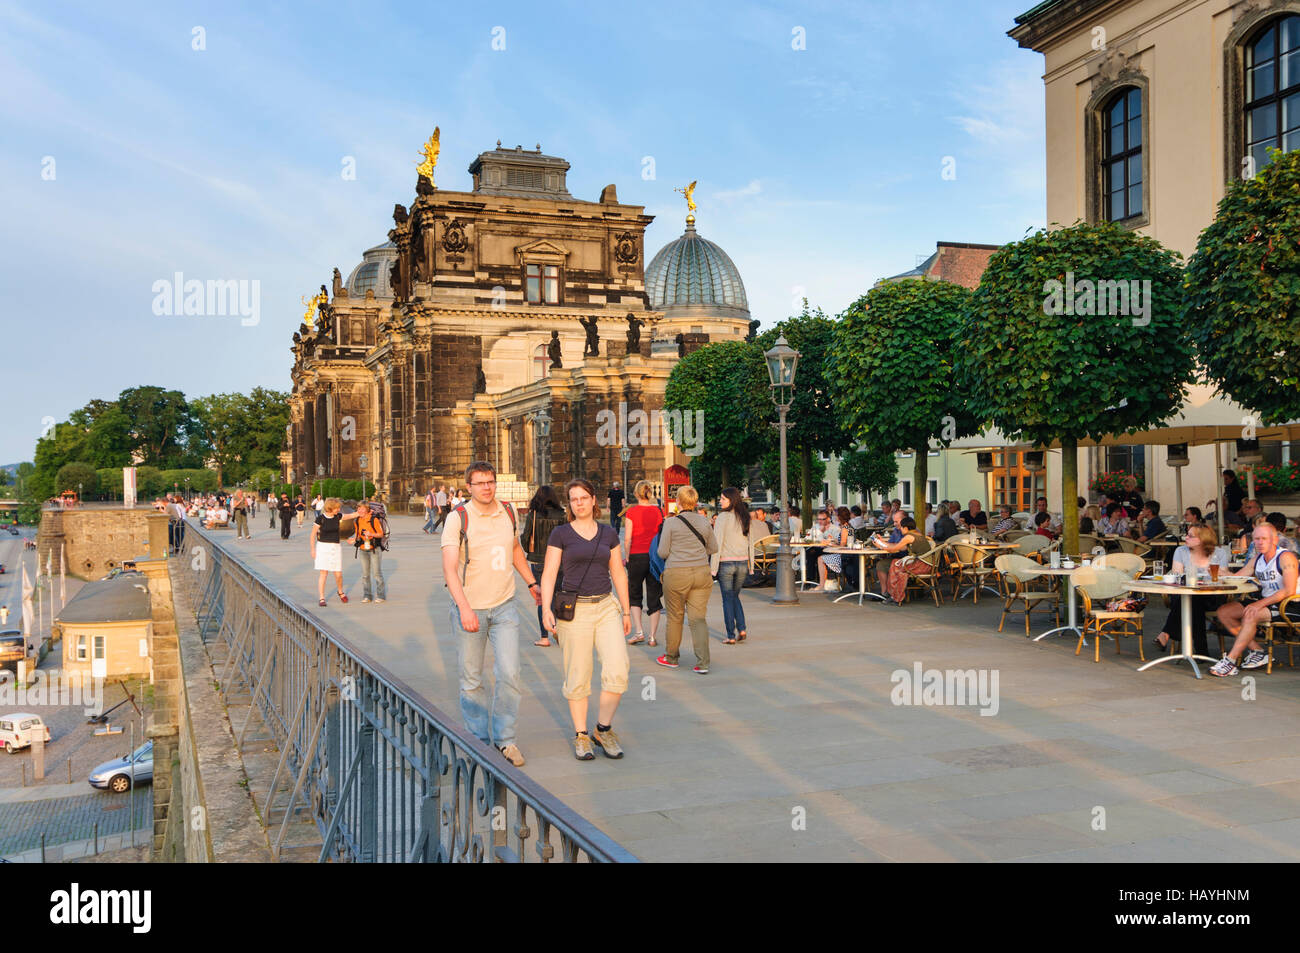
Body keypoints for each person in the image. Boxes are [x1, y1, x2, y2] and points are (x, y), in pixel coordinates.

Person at [441, 461, 542, 767]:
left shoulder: (508, 513)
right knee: (472, 678)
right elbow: (449, 569)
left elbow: (514, 551)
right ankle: (479, 742)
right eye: (480, 482)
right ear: (468, 487)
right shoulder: (457, 518)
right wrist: (465, 609)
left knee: (510, 673)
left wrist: (531, 582)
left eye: (490, 481)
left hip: (505, 605)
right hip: (470, 607)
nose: (486, 487)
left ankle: (505, 739)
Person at [540, 479, 631, 761]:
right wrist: (545, 609)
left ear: (594, 500)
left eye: (583, 497)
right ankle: (581, 735)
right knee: (578, 673)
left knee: (618, 670)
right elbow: (549, 573)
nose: (578, 503)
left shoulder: (608, 534)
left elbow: (618, 573)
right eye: (573, 499)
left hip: (606, 607)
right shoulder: (561, 534)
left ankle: (602, 728)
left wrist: (627, 611)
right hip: (574, 610)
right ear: (569, 504)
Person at [1211, 522, 1300, 676]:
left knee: (1251, 613)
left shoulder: (1286, 557)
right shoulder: (1258, 558)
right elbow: (1238, 577)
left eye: (1263, 538)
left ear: (1274, 540)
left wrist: (1258, 604)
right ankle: (1258, 651)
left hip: (1290, 604)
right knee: (1224, 612)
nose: (1259, 542)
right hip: (1267, 601)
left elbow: (1289, 590)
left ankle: (1230, 662)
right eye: (1256, 539)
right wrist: (1219, 573)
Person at [655, 485, 718, 674]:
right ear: (695, 502)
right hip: (701, 573)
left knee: (675, 617)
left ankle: (671, 657)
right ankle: (703, 663)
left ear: (678, 503)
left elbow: (662, 552)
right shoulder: (704, 521)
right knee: (698, 619)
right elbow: (713, 548)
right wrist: (697, 553)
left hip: (676, 573)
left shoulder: (671, 523)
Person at [1154, 525, 1229, 655]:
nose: (1185, 538)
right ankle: (1201, 651)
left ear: (1202, 539)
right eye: (1186, 534)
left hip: (1211, 595)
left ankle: (1166, 632)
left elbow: (1223, 577)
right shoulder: (1181, 551)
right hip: (1185, 593)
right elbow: (1177, 574)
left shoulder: (1219, 553)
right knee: (1193, 600)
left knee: (1193, 600)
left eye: (1190, 535)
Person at [521, 485, 567, 647]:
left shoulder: (533, 515)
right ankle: (561, 630)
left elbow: (526, 537)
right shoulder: (562, 515)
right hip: (560, 561)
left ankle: (544, 637)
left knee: (543, 599)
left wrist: (529, 550)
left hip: (539, 561)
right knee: (559, 597)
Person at [621, 480, 664, 647]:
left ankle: (639, 631)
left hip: (637, 556)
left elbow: (627, 538)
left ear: (637, 494)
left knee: (635, 594)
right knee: (654, 595)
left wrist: (627, 556)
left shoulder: (631, 513)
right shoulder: (658, 511)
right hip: (654, 556)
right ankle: (652, 636)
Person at [712, 487, 755, 645]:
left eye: (723, 499)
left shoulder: (722, 517)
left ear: (731, 500)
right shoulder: (744, 516)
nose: (720, 501)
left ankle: (730, 635)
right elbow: (751, 542)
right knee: (734, 596)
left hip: (726, 563)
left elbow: (717, 543)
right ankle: (742, 629)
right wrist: (751, 565)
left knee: (727, 599)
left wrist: (713, 568)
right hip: (743, 563)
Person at [310, 498, 348, 607]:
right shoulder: (320, 519)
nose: (339, 509)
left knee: (338, 574)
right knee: (323, 573)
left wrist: (361, 512)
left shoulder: (338, 516)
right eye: (337, 508)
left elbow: (350, 516)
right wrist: (313, 549)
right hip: (323, 547)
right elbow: (313, 535)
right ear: (331, 508)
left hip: (335, 547)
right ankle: (321, 598)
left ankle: (340, 591)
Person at [882, 517, 927, 604]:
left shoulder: (909, 537)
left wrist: (879, 545)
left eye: (901, 527)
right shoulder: (917, 534)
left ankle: (895, 596)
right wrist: (882, 542)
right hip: (926, 563)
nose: (900, 529)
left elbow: (893, 549)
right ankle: (893, 594)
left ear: (906, 528)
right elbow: (902, 547)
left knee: (896, 566)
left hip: (922, 565)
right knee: (895, 562)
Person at [350, 501, 387, 603]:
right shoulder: (357, 520)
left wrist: (371, 533)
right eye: (358, 508)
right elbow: (357, 535)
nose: (360, 510)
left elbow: (380, 534)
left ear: (367, 510)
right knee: (365, 574)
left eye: (362, 508)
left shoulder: (373, 520)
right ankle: (367, 596)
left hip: (374, 549)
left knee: (376, 573)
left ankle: (381, 596)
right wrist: (354, 539)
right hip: (363, 549)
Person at [811, 506, 852, 592]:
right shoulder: (847, 526)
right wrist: (834, 541)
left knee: (820, 559)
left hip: (844, 557)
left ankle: (822, 585)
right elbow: (844, 542)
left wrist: (831, 545)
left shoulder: (844, 529)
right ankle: (822, 584)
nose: (835, 517)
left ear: (840, 517)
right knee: (820, 557)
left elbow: (843, 546)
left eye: (836, 515)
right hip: (848, 555)